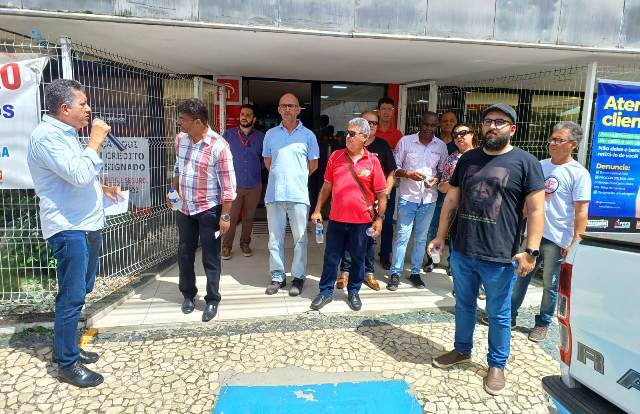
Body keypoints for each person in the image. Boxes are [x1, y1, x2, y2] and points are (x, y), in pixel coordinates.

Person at [428, 103, 545, 396]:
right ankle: (462, 350)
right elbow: (452, 200)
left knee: (499, 312)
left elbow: (536, 209)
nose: (493, 126)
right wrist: (441, 236)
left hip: (500, 254)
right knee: (464, 305)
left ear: (512, 129)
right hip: (464, 249)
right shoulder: (468, 159)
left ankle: (496, 364)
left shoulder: (525, 162)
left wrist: (531, 250)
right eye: (488, 121)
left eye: (500, 122)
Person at [27, 79, 122, 387]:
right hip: (69, 228)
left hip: (87, 222)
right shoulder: (46, 137)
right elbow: (79, 174)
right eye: (83, 104)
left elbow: (77, 175)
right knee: (71, 297)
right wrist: (95, 140)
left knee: (81, 290)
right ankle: (67, 363)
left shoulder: (66, 134)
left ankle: (68, 348)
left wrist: (102, 187)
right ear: (64, 108)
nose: (89, 109)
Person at [506, 121, 591, 342]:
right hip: (533, 235)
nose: (552, 143)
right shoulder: (539, 165)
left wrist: (575, 241)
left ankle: (542, 323)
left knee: (550, 285)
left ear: (572, 144)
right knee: (520, 276)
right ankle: (509, 315)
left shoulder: (579, 174)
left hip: (558, 239)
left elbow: (581, 211)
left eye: (559, 140)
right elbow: (526, 200)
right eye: (552, 138)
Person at [310, 118, 387, 311]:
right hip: (336, 219)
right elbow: (327, 186)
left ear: (364, 137)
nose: (347, 137)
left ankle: (353, 291)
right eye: (347, 132)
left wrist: (380, 219)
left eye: (352, 134)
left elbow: (381, 194)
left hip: (361, 222)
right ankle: (325, 291)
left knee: (358, 259)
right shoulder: (336, 156)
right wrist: (318, 209)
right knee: (331, 258)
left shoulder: (373, 161)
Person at [170, 98, 236, 323]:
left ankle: (212, 299)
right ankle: (188, 294)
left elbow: (228, 187)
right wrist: (173, 190)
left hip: (209, 210)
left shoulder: (219, 146)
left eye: (183, 119)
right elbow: (178, 166)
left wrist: (225, 216)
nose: (180, 123)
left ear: (198, 121)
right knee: (185, 253)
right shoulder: (181, 139)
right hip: (185, 208)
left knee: (211, 257)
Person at [263, 93, 320, 296]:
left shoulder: (308, 135)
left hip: (298, 195)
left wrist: (295, 176)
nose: (287, 109)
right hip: (274, 194)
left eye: (291, 106)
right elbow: (268, 162)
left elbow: (313, 165)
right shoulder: (270, 134)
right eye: (284, 106)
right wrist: (281, 176)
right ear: (279, 109)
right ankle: (277, 276)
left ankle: (297, 277)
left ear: (298, 110)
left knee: (300, 239)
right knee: (274, 239)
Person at [336, 111, 396, 291]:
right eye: (367, 122)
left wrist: (384, 194)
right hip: (351, 205)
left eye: (375, 123)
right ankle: (345, 272)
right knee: (348, 238)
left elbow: (391, 173)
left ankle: (368, 273)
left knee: (370, 239)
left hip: (374, 204)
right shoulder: (347, 144)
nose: (372, 125)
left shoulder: (383, 146)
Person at [388, 111, 447, 290]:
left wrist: (436, 179)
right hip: (408, 197)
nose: (429, 128)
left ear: (436, 126)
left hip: (429, 199)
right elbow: (394, 168)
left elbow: (442, 169)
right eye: (426, 124)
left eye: (433, 125)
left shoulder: (441, 146)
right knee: (402, 237)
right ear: (419, 123)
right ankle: (395, 273)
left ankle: (415, 273)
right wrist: (408, 174)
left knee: (421, 238)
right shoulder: (405, 142)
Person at [437, 122, 484, 299]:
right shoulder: (452, 159)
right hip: (458, 210)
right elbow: (442, 187)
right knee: (457, 252)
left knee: (479, 252)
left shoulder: (485, 155)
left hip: (481, 211)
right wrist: (457, 179)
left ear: (473, 134)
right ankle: (460, 285)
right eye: (456, 134)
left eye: (463, 133)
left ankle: (478, 285)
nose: (459, 137)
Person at [221, 104, 264, 260]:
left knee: (248, 218)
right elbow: (219, 157)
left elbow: (266, 159)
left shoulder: (261, 137)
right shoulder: (229, 135)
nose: (244, 116)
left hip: (254, 185)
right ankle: (226, 246)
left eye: (248, 114)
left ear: (253, 119)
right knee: (231, 218)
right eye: (242, 114)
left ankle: (245, 243)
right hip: (234, 185)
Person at [425, 111, 459, 272]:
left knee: (454, 229)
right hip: (437, 192)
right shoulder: (435, 142)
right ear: (440, 123)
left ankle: (452, 263)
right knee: (434, 227)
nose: (448, 123)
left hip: (456, 194)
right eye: (444, 121)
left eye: (451, 121)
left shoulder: (459, 143)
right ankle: (433, 259)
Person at [376, 97, 403, 270]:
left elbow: (397, 162)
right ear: (379, 111)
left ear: (393, 112)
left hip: (388, 184)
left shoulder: (397, 134)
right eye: (384, 109)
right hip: (369, 184)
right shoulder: (373, 131)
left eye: (389, 109)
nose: (386, 112)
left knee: (386, 220)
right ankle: (363, 253)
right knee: (367, 219)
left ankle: (385, 254)